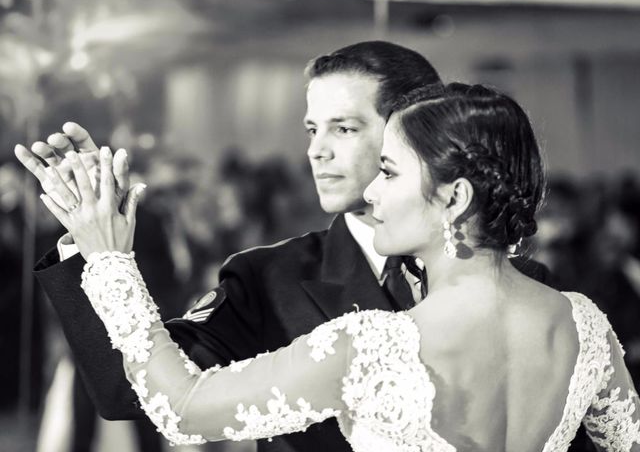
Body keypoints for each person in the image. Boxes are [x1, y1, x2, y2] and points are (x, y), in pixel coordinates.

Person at [29, 83, 640, 450]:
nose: (370, 194)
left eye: (391, 173)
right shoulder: (584, 327)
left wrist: (109, 258)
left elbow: (180, 409)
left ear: (454, 198)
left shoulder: (372, 347)